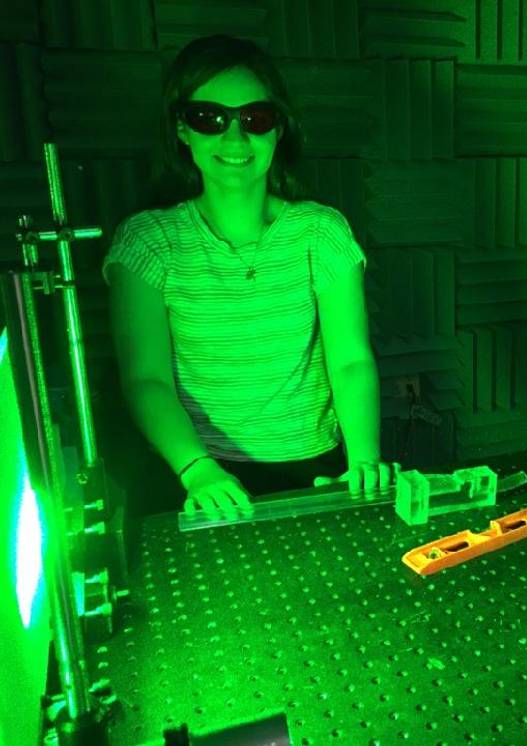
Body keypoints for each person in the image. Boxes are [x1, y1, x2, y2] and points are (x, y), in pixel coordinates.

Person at [103, 34, 396, 519]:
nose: (235, 139)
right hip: (198, 474)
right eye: (210, 119)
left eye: (255, 119)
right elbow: (145, 378)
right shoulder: (148, 241)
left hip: (314, 468)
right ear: (182, 128)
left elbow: (350, 360)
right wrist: (197, 469)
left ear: (278, 129)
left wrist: (363, 459)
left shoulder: (321, 232)